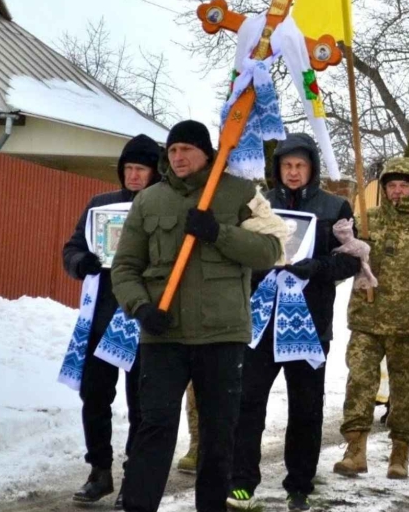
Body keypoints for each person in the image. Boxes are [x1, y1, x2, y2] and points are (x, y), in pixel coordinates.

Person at [111, 120, 283, 512]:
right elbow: (125, 267)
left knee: (219, 433)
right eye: (172, 150)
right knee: (154, 427)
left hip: (221, 335)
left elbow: (270, 250)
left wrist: (218, 233)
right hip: (163, 335)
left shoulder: (241, 194)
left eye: (186, 149)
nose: (178, 157)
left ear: (207, 153)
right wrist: (141, 307)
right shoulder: (149, 200)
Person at [226, 134, 362, 511]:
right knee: (247, 402)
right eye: (287, 165)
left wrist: (317, 267)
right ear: (277, 168)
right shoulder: (258, 204)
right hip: (260, 323)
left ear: (312, 168)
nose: (293, 172)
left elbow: (351, 258)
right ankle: (241, 482)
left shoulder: (335, 207)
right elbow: (239, 250)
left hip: (309, 325)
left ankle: (299, 484)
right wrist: (261, 267)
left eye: (300, 165)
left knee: (306, 408)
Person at [333, 157, 409, 480]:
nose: (397, 191)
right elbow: (342, 261)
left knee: (404, 390)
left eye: (404, 186)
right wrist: (350, 248)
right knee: (359, 383)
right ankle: (355, 450)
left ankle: (400, 452)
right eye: (391, 186)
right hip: (367, 319)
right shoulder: (367, 220)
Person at [62, 134, 161, 507]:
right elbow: (73, 247)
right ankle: (99, 471)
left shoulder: (163, 207)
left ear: (155, 172)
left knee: (142, 404)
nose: (134, 176)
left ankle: (135, 477)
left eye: (141, 169)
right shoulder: (100, 206)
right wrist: (81, 263)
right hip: (101, 317)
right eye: (128, 168)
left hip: (142, 321)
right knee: (94, 396)